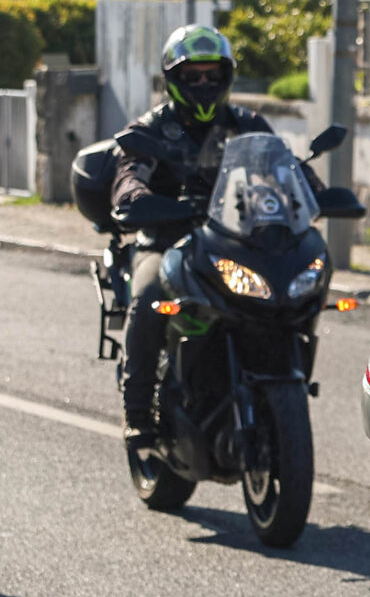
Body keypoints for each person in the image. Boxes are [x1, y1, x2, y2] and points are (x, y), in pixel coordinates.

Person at [109, 24, 276, 446]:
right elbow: (130, 179)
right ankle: (138, 411)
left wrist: (317, 191)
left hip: (234, 244)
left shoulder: (247, 125)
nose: (203, 84)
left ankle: (275, 383)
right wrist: (142, 198)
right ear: (174, 79)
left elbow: (283, 171)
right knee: (149, 298)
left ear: (226, 77)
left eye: (212, 75)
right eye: (192, 76)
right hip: (166, 245)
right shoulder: (149, 129)